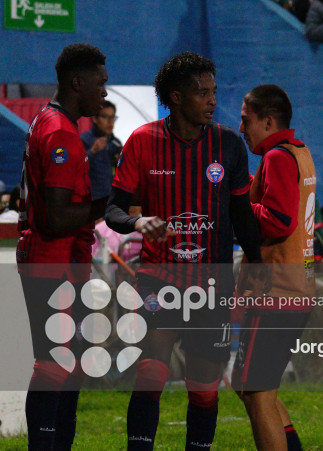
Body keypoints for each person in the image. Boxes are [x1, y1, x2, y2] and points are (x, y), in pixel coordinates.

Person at [104, 51, 264, 450]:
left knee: (204, 391)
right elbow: (114, 208)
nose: (212, 100)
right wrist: (138, 222)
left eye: (213, 92)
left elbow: (242, 213)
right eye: (201, 93)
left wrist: (258, 264)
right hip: (160, 277)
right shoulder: (143, 142)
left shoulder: (229, 145)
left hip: (213, 283)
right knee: (151, 374)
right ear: (175, 97)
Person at [16, 43, 108, 450]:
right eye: (100, 84)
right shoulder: (59, 133)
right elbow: (55, 218)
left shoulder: (50, 122)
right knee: (54, 364)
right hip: (52, 260)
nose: (104, 93)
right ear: (78, 82)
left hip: (62, 261)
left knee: (71, 364)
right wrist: (112, 205)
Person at [232, 84, 315, 451]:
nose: (240, 127)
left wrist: (235, 207)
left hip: (276, 293)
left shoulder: (278, 158)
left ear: (267, 121)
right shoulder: (298, 152)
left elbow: (279, 220)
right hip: (296, 290)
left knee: (257, 391)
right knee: (251, 386)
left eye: (245, 120)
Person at [81, 100, 122, 200]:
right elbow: (75, 168)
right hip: (91, 200)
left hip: (112, 199)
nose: (110, 122)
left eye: (112, 117)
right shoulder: (84, 140)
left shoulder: (116, 143)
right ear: (94, 118)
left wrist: (120, 163)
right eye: (105, 117)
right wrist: (92, 152)